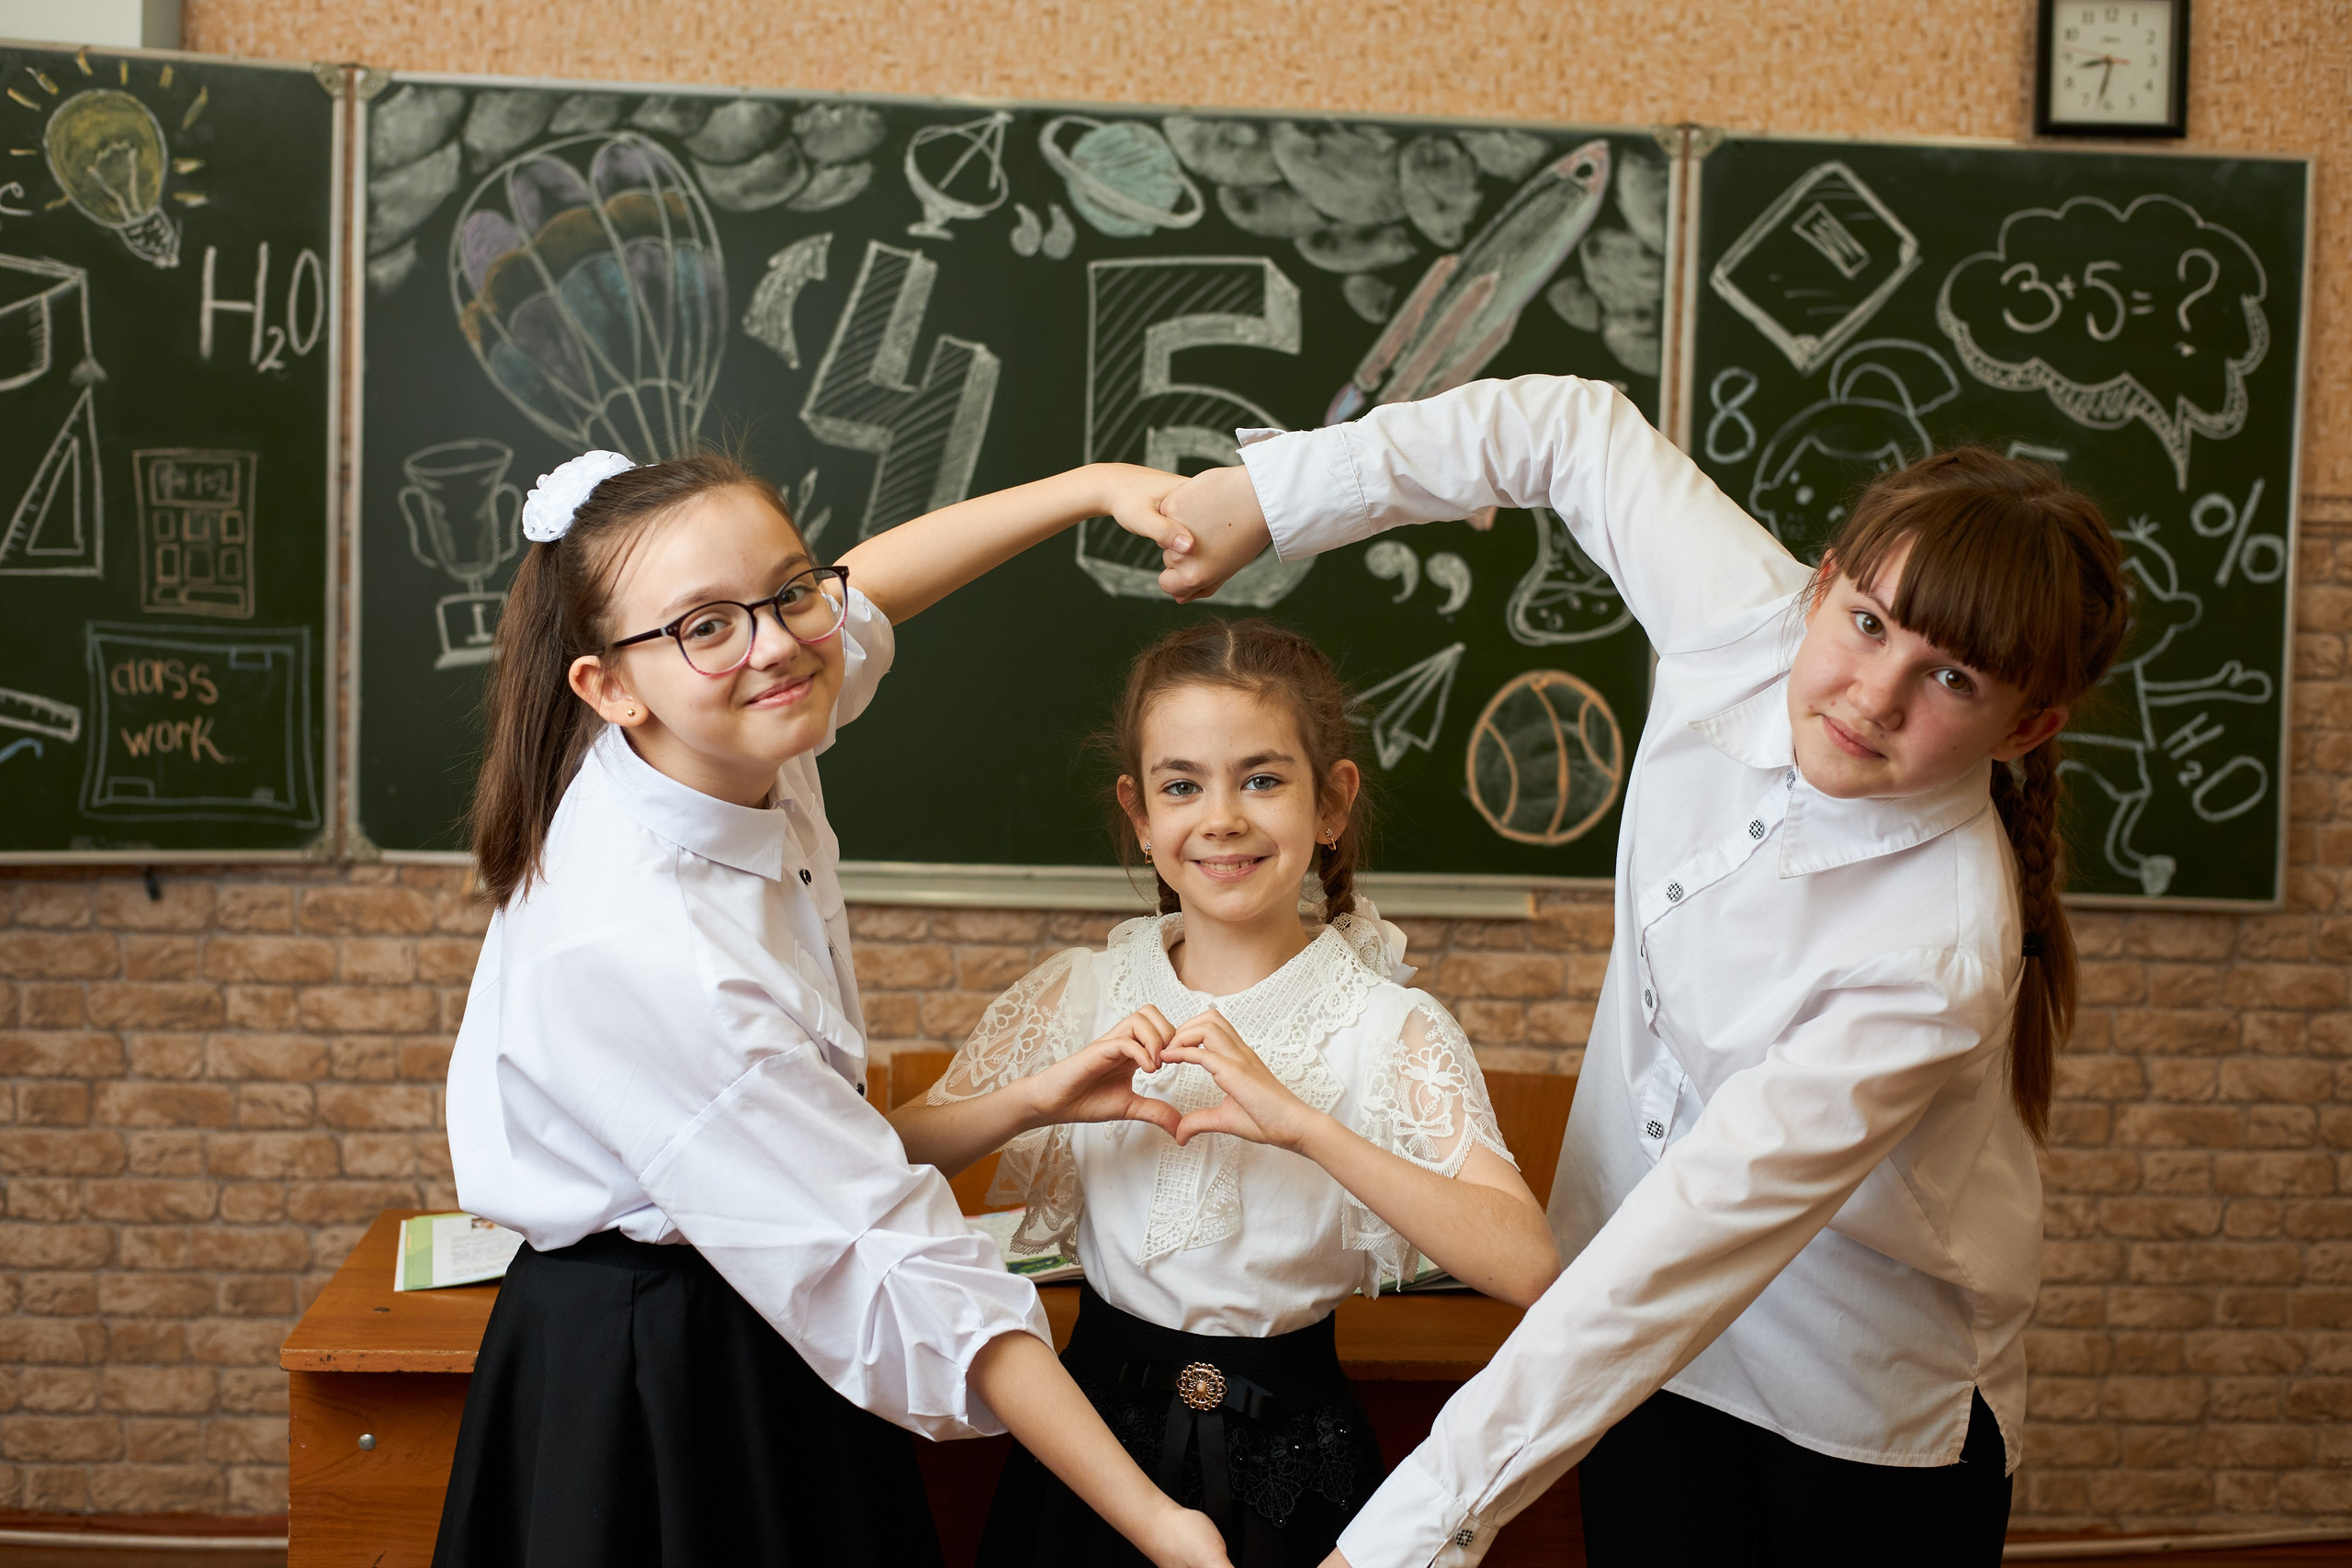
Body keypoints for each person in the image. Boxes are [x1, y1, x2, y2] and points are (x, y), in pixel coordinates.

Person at [1131, 376, 2130, 1568]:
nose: (1875, 692)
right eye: (1868, 623)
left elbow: (1689, 1243)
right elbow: (1566, 429)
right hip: (1629, 1340)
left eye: (1952, 679)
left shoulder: (1935, 948)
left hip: (1852, 1389)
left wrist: (1397, 1539)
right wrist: (1272, 495)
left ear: (2026, 726)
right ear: (1822, 584)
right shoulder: (1746, 625)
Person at [435, 448, 1234, 1568]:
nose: (778, 645)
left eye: (789, 591)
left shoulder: (731, 727)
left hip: (755, 1298)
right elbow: (889, 1257)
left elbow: (873, 589)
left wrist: (1087, 489)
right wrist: (1159, 1523)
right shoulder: (650, 945)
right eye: (705, 625)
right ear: (606, 686)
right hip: (660, 1367)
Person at [888, 618, 1559, 1568]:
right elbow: (877, 1164)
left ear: (1330, 804)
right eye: (1180, 785)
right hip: (1085, 1459)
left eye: (1262, 778)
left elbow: (1526, 1265)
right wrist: (1036, 1099)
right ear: (1139, 815)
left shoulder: (1386, 1024)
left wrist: (1306, 1127)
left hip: (1300, 1465)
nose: (1221, 817)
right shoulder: (1078, 991)